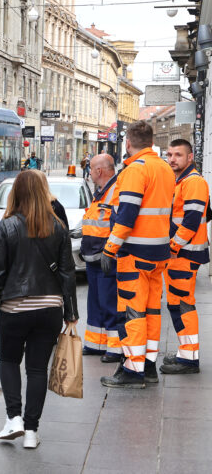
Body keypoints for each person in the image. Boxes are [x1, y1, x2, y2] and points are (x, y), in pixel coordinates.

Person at [0, 170, 78, 449]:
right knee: (37, 369)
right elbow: (67, 273)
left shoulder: (7, 225)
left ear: (17, 192)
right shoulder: (58, 225)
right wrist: (71, 313)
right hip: (50, 308)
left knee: (9, 360)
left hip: (15, 307)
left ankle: (14, 419)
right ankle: (32, 431)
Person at [99, 121, 174, 389]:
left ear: (128, 143)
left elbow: (127, 214)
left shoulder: (135, 170)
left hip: (134, 254)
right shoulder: (165, 169)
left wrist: (110, 248)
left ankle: (132, 370)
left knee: (132, 312)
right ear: (151, 142)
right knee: (152, 311)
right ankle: (148, 366)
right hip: (159, 253)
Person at [160, 138, 209, 374]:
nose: (172, 159)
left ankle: (189, 359)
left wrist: (172, 247)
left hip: (184, 254)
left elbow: (191, 221)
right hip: (180, 254)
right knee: (176, 304)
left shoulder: (194, 181)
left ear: (190, 157)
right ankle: (185, 352)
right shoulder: (180, 181)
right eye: (169, 155)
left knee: (183, 304)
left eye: (178, 155)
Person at [79, 154, 121, 362]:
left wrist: (110, 252)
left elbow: (120, 225)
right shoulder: (101, 192)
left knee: (109, 302)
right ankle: (95, 343)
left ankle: (115, 348)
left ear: (99, 171)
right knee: (95, 302)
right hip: (94, 256)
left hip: (107, 257)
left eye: (91, 167)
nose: (90, 172)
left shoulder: (116, 191)